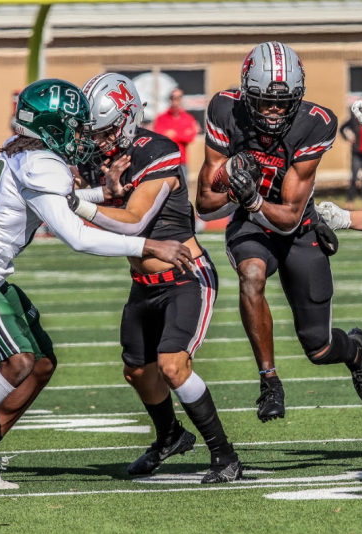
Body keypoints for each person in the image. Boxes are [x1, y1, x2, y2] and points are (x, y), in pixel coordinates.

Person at [0, 79, 193, 494]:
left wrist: (102, 191)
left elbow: (51, 198)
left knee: (42, 363)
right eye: (75, 125)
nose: (82, 134)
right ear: (52, 126)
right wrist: (150, 242)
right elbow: (78, 236)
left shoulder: (21, 150)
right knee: (18, 361)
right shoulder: (40, 163)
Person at [195, 41, 362, 423]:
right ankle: (269, 381)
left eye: (284, 102)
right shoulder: (224, 108)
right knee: (251, 274)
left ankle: (356, 350)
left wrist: (251, 198)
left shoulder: (315, 122)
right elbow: (205, 202)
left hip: (298, 227)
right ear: (247, 95)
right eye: (266, 102)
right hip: (251, 224)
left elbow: (290, 218)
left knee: (319, 347)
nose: (276, 110)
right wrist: (233, 186)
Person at [70, 73, 241, 484]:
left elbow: (133, 223)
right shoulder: (99, 157)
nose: (99, 141)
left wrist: (79, 201)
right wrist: (98, 193)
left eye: (107, 130)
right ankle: (169, 436)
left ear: (128, 118)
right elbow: (105, 200)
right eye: (93, 132)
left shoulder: (158, 150)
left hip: (185, 276)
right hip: (142, 284)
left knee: (172, 365)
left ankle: (225, 455)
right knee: (137, 372)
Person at [153, 88, 200, 184]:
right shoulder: (161, 118)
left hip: (181, 161)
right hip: (165, 160)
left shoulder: (188, 118)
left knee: (183, 189)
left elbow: (190, 136)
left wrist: (173, 134)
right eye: (173, 98)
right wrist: (181, 133)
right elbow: (158, 135)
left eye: (179, 97)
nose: (176, 100)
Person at [339, 98, 362, 208]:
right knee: (354, 178)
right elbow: (342, 128)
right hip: (357, 153)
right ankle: (350, 201)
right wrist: (348, 137)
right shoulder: (354, 119)